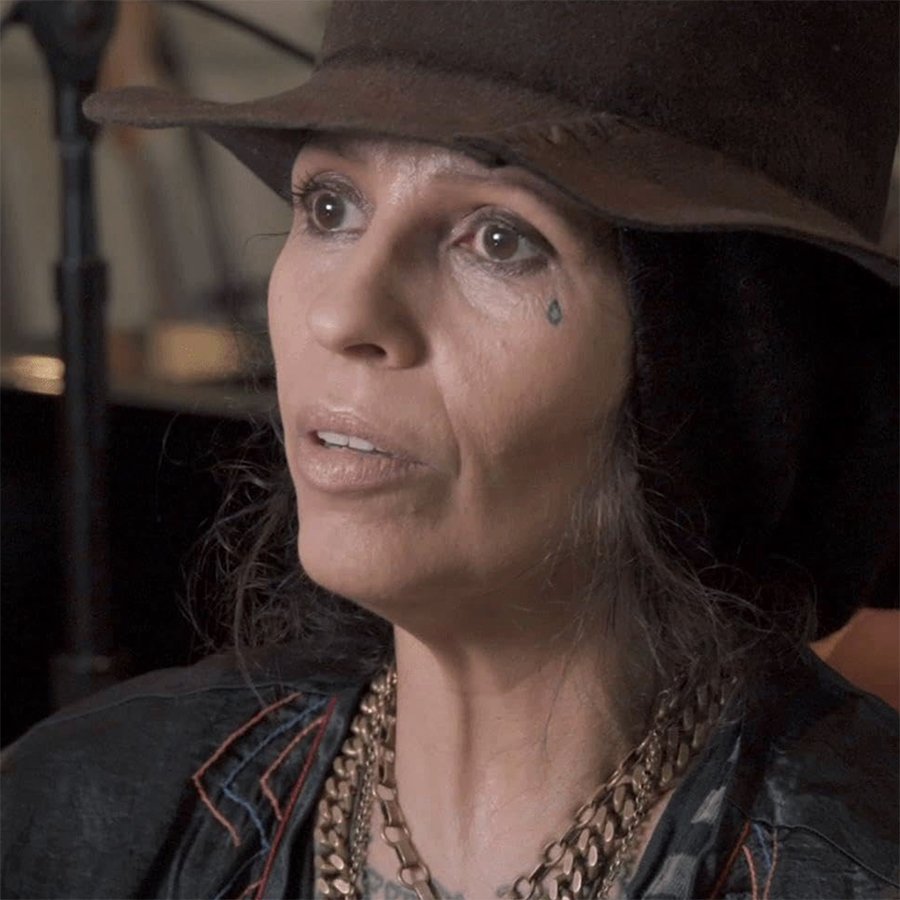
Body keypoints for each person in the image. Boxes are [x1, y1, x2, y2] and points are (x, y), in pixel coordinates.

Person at [2, 3, 898, 898]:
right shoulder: (78, 810)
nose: (343, 314)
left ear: (714, 368)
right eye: (329, 206)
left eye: (500, 240)